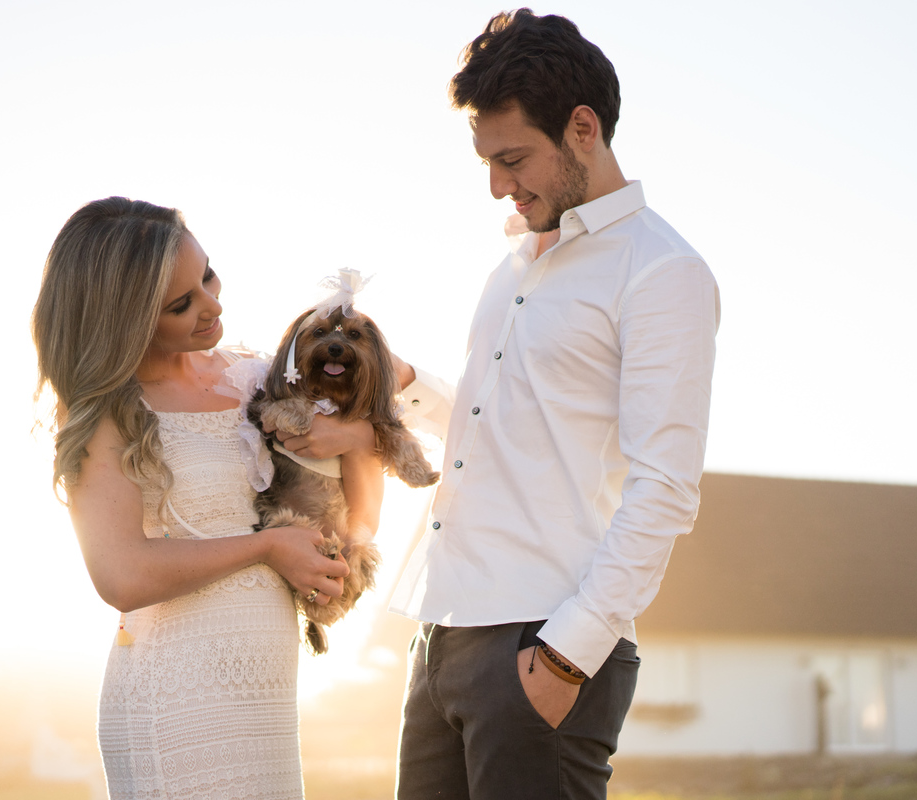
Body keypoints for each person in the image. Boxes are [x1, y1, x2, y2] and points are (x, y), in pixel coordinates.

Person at [389, 9, 721, 799]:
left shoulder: (662, 272)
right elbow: (488, 427)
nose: (499, 186)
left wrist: (566, 656)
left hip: (543, 646)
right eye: (487, 162)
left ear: (582, 128)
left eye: (512, 159)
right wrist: (395, 381)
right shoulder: (511, 265)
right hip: (440, 634)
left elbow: (665, 488)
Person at [31, 197, 383, 799]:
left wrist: (359, 435)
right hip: (175, 698)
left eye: (208, 276)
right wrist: (268, 547)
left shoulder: (257, 374)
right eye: (181, 304)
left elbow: (367, 491)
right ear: (126, 318)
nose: (212, 304)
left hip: (264, 693)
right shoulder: (107, 413)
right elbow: (121, 575)